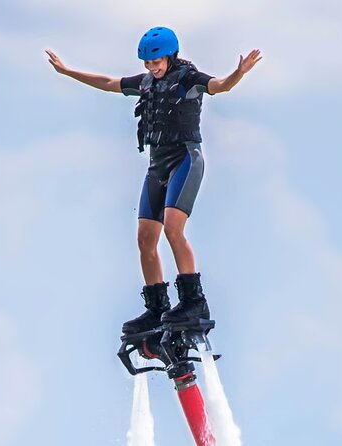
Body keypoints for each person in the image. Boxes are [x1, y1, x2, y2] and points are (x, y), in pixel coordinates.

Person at [46, 26, 262, 335]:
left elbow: (220, 86)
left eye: (156, 62)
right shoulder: (147, 83)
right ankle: (157, 308)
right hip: (157, 167)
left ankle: (193, 303)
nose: (151, 68)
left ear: (170, 56)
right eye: (147, 63)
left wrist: (238, 73)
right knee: (145, 239)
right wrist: (67, 72)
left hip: (185, 160)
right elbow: (108, 83)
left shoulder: (188, 78)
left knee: (173, 230)